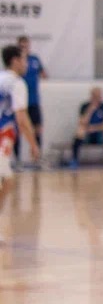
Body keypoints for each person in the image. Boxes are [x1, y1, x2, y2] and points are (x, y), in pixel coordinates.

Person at [0, 45, 40, 228]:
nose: (26, 64)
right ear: (15, 61)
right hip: (2, 135)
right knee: (6, 180)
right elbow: (21, 118)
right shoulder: (17, 84)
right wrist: (33, 144)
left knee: (7, 180)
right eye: (24, 59)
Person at [70, 86, 103, 168]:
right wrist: (90, 110)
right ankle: (74, 160)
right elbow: (82, 122)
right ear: (91, 96)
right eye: (95, 96)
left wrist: (94, 128)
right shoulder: (84, 106)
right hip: (87, 133)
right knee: (79, 131)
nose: (97, 98)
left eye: (99, 96)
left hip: (99, 132)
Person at [16, 36, 44, 163]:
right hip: (20, 102)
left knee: (37, 129)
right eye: (21, 46)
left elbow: (43, 74)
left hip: (33, 100)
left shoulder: (34, 60)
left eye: (26, 46)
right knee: (18, 128)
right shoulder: (17, 62)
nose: (24, 49)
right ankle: (17, 159)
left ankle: (36, 157)